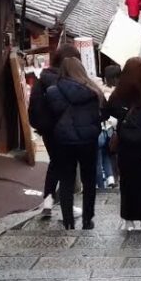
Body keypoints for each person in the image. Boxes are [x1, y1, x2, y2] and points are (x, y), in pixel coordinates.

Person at [44, 57, 107, 229]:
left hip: (63, 141)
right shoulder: (93, 90)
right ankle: (87, 219)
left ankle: (68, 221)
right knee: (89, 179)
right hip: (88, 140)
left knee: (66, 180)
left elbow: (48, 118)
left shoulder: (52, 91)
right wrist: (93, 125)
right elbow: (103, 114)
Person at [105, 58, 141, 230]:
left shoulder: (120, 92)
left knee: (128, 181)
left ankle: (128, 220)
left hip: (127, 144)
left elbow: (110, 111)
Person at [29, 44, 81, 219]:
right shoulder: (66, 83)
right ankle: (67, 206)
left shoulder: (42, 78)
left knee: (56, 164)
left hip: (48, 131)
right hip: (65, 131)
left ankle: (48, 202)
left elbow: (34, 106)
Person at [97, 64, 122, 188]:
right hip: (113, 131)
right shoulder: (120, 93)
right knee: (110, 155)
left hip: (102, 130)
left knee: (100, 157)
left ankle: (103, 184)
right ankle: (112, 179)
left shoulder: (101, 93)